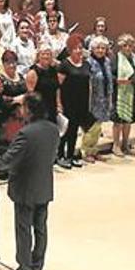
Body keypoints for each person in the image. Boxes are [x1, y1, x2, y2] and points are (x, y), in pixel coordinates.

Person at [0, 92, 59, 270]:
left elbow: (11, 157)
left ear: (28, 110)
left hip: (26, 186)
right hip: (44, 184)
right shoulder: (53, 129)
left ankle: (24, 269)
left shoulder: (26, 133)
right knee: (40, 228)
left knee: (23, 228)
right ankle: (37, 266)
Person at [56, 34, 92, 169]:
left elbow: (88, 84)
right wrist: (59, 103)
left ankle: (70, 156)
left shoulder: (87, 65)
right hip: (67, 102)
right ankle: (60, 156)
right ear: (70, 49)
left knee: (75, 130)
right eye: (76, 48)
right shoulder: (64, 65)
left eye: (80, 48)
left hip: (81, 103)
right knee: (65, 130)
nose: (78, 50)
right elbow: (58, 86)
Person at [80, 36, 114, 163]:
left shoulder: (107, 62)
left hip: (104, 99)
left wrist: (109, 97)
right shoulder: (88, 62)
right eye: (98, 48)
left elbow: (109, 80)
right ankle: (87, 151)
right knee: (91, 127)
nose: (100, 50)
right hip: (92, 100)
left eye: (103, 48)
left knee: (98, 127)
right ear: (92, 49)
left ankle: (94, 150)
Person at [111, 34, 135, 156]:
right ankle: (116, 145)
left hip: (132, 92)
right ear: (121, 46)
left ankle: (125, 144)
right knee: (118, 121)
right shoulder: (116, 59)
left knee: (128, 120)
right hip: (120, 93)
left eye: (130, 45)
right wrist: (119, 81)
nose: (128, 48)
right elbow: (111, 76)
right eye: (125, 45)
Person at [0, 51, 28, 151]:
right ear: (3, 64)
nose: (12, 65)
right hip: (5, 118)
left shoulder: (21, 77)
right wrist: (14, 100)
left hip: (21, 118)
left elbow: (27, 92)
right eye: (8, 63)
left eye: (14, 62)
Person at [25, 44, 60, 123]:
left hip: (52, 107)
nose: (46, 56)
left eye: (48, 54)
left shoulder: (53, 70)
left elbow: (57, 88)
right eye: (43, 54)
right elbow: (30, 94)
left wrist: (59, 105)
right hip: (39, 110)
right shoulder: (33, 72)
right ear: (38, 56)